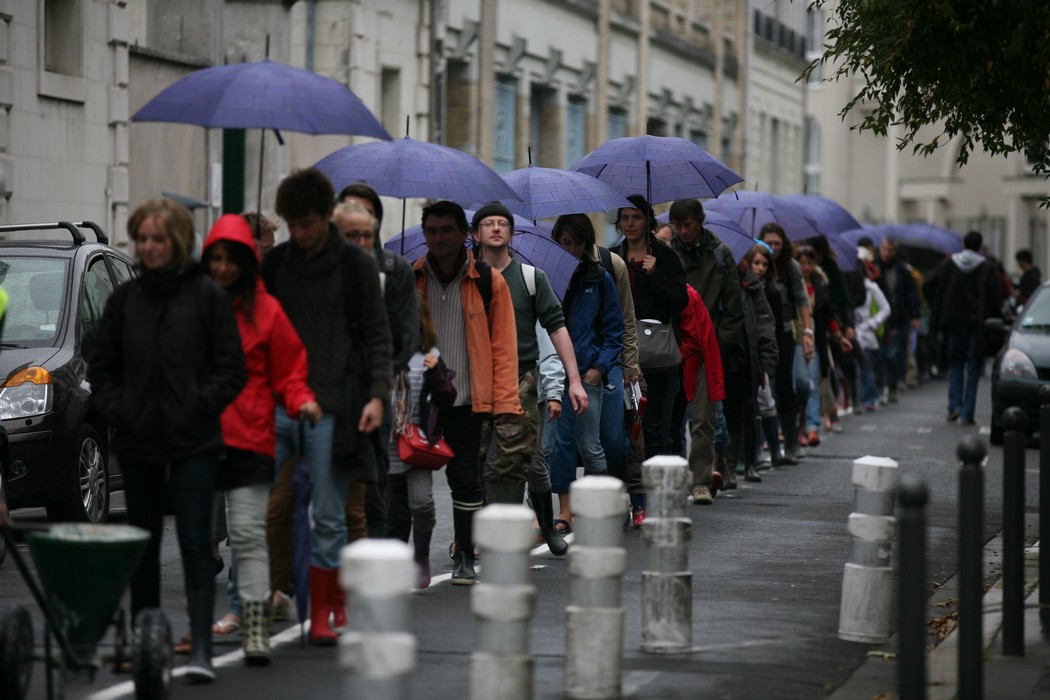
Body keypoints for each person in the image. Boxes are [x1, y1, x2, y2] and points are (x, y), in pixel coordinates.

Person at [88, 197, 247, 682]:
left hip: (194, 440)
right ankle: (146, 640)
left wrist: (198, 404)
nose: (149, 247)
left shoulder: (207, 297)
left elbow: (231, 370)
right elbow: (103, 366)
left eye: (158, 238)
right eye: (142, 239)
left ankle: (200, 647)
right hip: (138, 442)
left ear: (176, 241)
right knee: (144, 542)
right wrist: (120, 410)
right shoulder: (124, 301)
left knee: (197, 540)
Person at [261, 168, 392, 644]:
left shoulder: (356, 266)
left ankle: (323, 614)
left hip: (334, 404)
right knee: (262, 506)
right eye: (292, 225)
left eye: (308, 224)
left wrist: (378, 396)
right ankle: (265, 598)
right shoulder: (275, 265)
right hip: (279, 403)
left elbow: (378, 337)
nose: (300, 233)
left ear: (325, 218)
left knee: (333, 514)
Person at [200, 214, 320, 666]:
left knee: (248, 535)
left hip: (250, 437)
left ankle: (253, 628)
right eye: (216, 258)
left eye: (233, 259)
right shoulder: (194, 306)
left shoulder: (266, 310)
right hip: (198, 439)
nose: (224, 267)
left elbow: (290, 370)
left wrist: (302, 399)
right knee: (197, 539)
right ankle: (200, 624)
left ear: (249, 262)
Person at [414, 200, 522, 585]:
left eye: (446, 230)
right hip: (417, 401)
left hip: (466, 400)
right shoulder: (410, 278)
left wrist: (506, 403)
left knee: (465, 479)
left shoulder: (489, 281)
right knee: (413, 489)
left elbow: (504, 346)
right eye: (431, 230)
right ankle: (417, 556)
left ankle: (463, 554)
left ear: (464, 235)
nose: (438, 238)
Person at [470, 202, 586, 554]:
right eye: (487, 223)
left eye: (502, 223)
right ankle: (473, 534)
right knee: (479, 460)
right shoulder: (467, 278)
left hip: (521, 380)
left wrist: (573, 381)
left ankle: (547, 528)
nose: (495, 228)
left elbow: (557, 328)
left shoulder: (532, 278)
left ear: (511, 233)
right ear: (475, 234)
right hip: (476, 380)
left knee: (531, 464)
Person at [335, 184, 419, 542]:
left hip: (375, 389)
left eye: (366, 220)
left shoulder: (393, 269)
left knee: (373, 481)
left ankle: (377, 552)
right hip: (329, 391)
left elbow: (405, 335)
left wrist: (382, 378)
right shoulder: (324, 268)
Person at [612, 195, 687, 522]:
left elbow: (681, 302)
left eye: (636, 217)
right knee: (624, 431)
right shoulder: (612, 257)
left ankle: (656, 501)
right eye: (624, 218)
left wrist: (655, 275)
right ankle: (631, 499)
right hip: (624, 356)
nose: (630, 224)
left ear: (647, 221)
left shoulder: (666, 257)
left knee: (657, 431)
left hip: (660, 358)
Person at [548, 213, 625, 529]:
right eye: (565, 242)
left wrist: (598, 368)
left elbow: (614, 329)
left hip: (589, 372)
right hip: (555, 372)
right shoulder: (545, 277)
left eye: (577, 243)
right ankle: (565, 511)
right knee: (561, 445)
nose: (571, 249)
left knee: (592, 446)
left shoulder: (599, 278)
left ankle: (595, 506)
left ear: (586, 244)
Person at [668, 199, 743, 504]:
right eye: (678, 225)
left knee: (703, 419)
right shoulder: (667, 254)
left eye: (688, 224)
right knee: (672, 419)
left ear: (700, 221)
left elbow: (734, 309)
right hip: (674, 347)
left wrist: (718, 341)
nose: (683, 231)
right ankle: (674, 478)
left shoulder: (721, 255)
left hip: (707, 349)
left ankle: (700, 480)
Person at [389, 292, 457, 589]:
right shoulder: (380, 352)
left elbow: (447, 397)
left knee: (422, 501)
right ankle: (392, 561)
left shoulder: (429, 355)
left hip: (417, 440)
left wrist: (434, 374)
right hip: (389, 439)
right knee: (392, 507)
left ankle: (421, 555)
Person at [923, 231, 1002, 425]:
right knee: (974, 366)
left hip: (953, 320)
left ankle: (954, 406)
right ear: (980, 246)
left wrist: (938, 305)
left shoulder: (949, 264)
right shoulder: (987, 268)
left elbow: (928, 284)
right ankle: (967, 413)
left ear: (963, 243)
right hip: (977, 324)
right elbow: (996, 298)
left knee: (956, 364)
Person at [759, 223, 814, 461]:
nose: (772, 248)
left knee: (785, 385)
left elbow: (802, 300)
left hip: (785, 331)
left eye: (777, 243)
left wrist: (808, 331)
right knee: (762, 388)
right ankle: (763, 447)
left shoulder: (790, 266)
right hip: (760, 331)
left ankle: (791, 442)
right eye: (768, 243)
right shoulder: (755, 261)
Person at [728, 244, 778, 482]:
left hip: (749, 358)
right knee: (727, 413)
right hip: (727, 354)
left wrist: (766, 364)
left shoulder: (752, 286)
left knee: (749, 411)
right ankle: (728, 465)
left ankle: (748, 463)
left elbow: (766, 326)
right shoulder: (724, 280)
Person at [875, 237, 921, 404]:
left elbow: (911, 293)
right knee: (879, 355)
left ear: (894, 251)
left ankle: (892, 387)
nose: (886, 253)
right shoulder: (874, 268)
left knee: (893, 354)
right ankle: (880, 388)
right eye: (884, 249)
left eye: (889, 250)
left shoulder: (902, 270)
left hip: (898, 317)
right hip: (878, 318)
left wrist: (915, 315)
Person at [853, 250, 891, 413]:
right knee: (854, 369)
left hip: (866, 333)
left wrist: (873, 323)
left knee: (866, 367)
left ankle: (869, 398)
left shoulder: (871, 287)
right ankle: (857, 400)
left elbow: (886, 308)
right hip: (852, 332)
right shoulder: (847, 286)